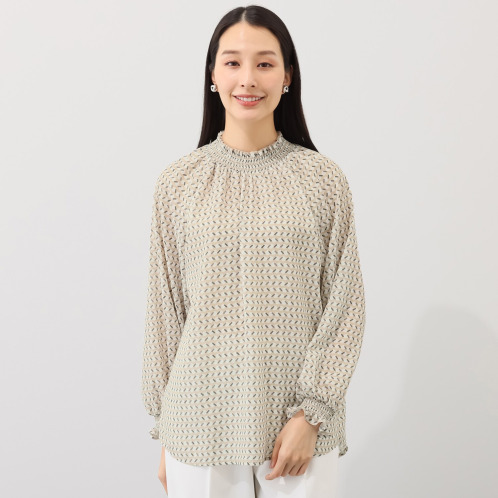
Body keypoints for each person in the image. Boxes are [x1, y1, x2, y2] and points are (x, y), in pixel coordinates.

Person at [141, 5, 366, 497]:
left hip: (298, 433)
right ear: (212, 75)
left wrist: (311, 415)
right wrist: (166, 430)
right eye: (232, 62)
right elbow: (165, 313)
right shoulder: (178, 184)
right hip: (196, 425)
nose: (247, 78)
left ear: (287, 76)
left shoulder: (323, 181)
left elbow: (345, 307)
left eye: (265, 63)